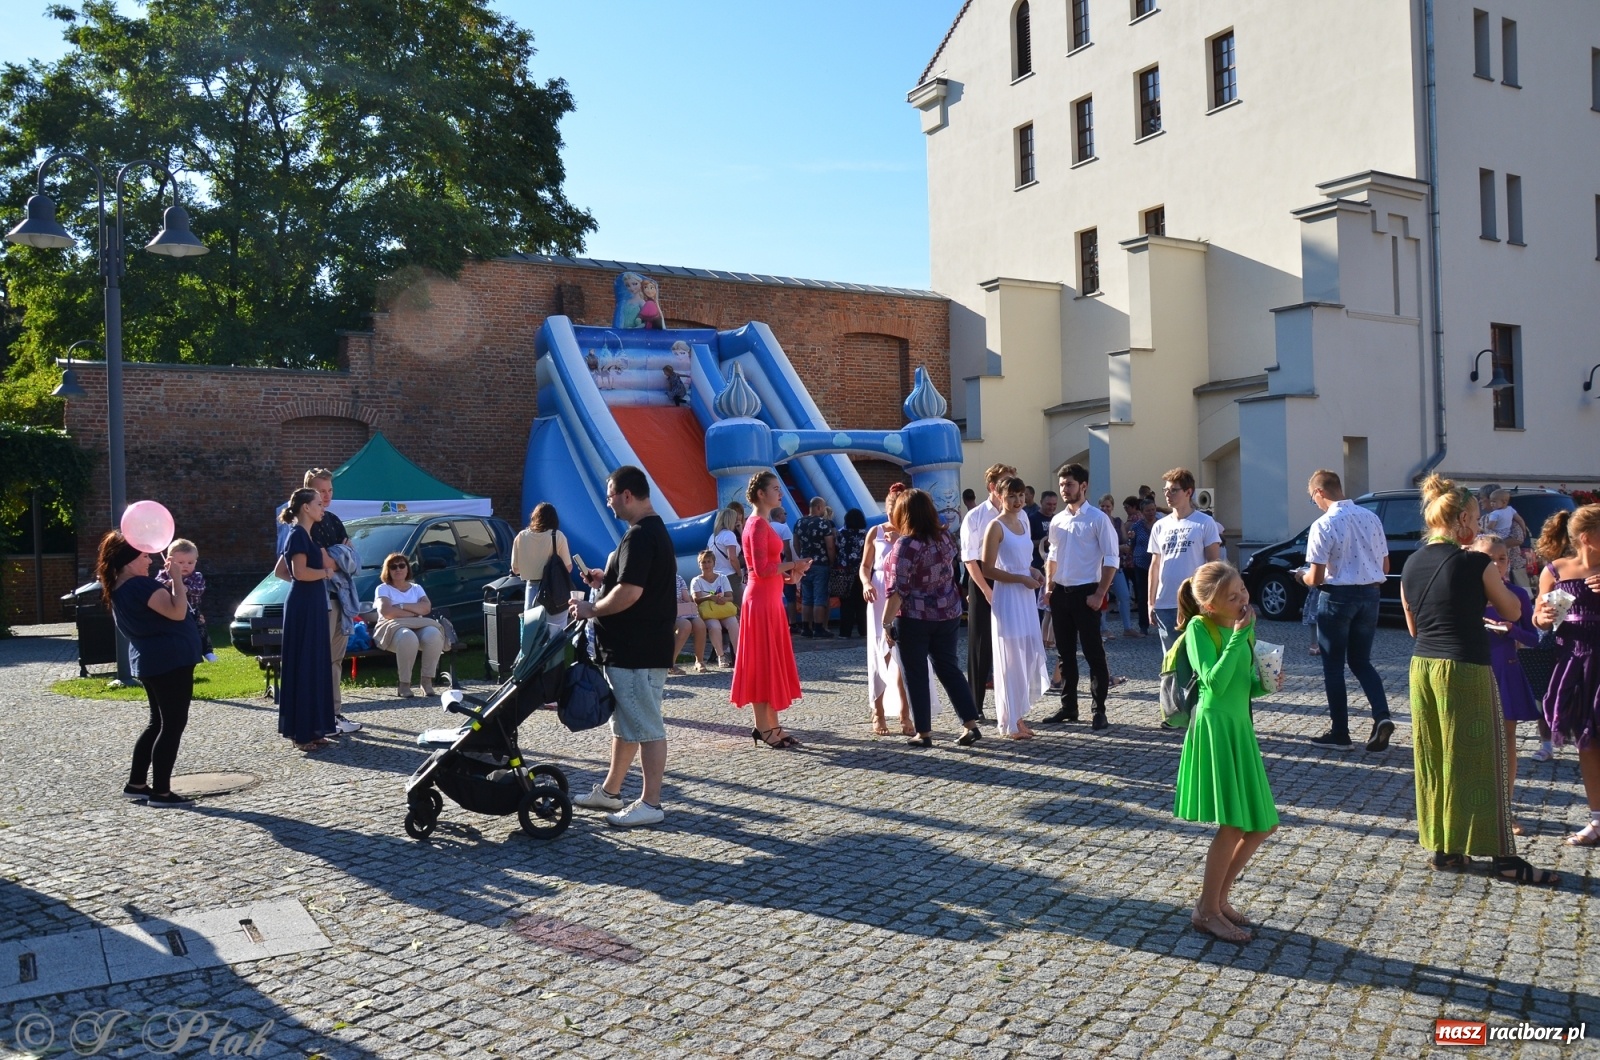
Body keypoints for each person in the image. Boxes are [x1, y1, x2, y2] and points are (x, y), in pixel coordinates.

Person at [1402, 475, 1558, 885]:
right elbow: (1510, 611)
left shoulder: (1412, 562)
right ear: (1463, 520)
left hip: (1423, 668)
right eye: (1476, 518)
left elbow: (1413, 627)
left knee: (1435, 759)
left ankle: (1447, 850)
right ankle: (1504, 858)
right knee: (1484, 760)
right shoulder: (1476, 563)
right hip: (1465, 668)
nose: (1480, 525)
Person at [1171, 562, 1281, 943]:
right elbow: (1214, 683)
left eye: (1243, 592)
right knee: (1233, 824)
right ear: (1210, 606)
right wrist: (1237, 637)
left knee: (1262, 824)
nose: (1242, 601)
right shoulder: (1199, 629)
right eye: (1232, 598)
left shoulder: (1243, 624)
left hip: (1239, 726)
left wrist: (1266, 682)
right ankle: (1208, 910)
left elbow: (1243, 685)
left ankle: (1214, 901)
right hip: (1215, 726)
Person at [568, 465, 677, 827]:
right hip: (635, 648)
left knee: (646, 725)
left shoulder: (640, 536)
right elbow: (627, 581)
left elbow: (630, 592)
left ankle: (651, 803)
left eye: (611, 494)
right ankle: (611, 792)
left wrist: (591, 608)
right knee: (628, 722)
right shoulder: (646, 533)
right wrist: (605, 577)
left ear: (627, 495)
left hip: (636, 649)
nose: (609, 501)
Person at [102, 530, 203, 807]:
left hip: (150, 660)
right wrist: (178, 580)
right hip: (170, 660)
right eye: (144, 555)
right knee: (172, 725)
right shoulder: (141, 586)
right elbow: (177, 611)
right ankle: (161, 792)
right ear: (128, 559)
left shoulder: (118, 588)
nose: (149, 560)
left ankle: (136, 783)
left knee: (157, 723)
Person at [1299, 469, 1393, 752]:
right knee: (1362, 662)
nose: (1314, 503)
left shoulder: (1324, 523)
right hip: (1371, 595)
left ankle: (1340, 733)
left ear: (1319, 492)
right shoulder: (1372, 518)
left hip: (1338, 597)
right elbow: (1385, 567)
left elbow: (1314, 579)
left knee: (1333, 667)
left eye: (1312, 498)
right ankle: (1382, 715)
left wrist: (1299, 576)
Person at [884, 489, 984, 748]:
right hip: (947, 612)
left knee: (915, 673)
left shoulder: (905, 545)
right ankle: (970, 723)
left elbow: (898, 589)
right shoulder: (944, 537)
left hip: (914, 616)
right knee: (949, 668)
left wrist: (886, 623)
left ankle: (924, 732)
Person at [1533, 504, 1600, 847]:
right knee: (1586, 742)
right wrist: (1543, 616)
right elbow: (1541, 621)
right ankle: (1597, 818)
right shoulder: (1557, 571)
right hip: (1574, 664)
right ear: (1588, 538)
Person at [275, 469, 361, 736]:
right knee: (315, 662)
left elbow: (352, 561)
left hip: (339, 600)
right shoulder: (300, 531)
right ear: (307, 500)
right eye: (320, 493)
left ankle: (329, 715)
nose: (326, 498)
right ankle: (319, 720)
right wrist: (326, 569)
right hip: (316, 603)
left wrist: (338, 558)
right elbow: (290, 569)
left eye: (330, 491)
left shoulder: (332, 521)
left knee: (333, 660)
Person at [732, 471, 810, 748]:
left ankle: (772, 725)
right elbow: (761, 569)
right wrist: (792, 565)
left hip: (771, 599)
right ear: (761, 494)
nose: (780, 493)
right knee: (762, 663)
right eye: (775, 489)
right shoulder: (755, 525)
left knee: (770, 662)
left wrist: (794, 574)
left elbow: (770, 570)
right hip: (761, 602)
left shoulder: (763, 524)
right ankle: (763, 727)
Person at [1471, 534, 1541, 836]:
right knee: (1474, 741)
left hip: (1506, 672)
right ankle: (1474, 805)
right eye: (1488, 559)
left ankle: (1504, 808)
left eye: (1501, 559)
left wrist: (1511, 629)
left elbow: (1534, 638)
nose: (1496, 564)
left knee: (1505, 742)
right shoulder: (1466, 595)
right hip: (1473, 672)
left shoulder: (1516, 595)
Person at [1043, 463, 1120, 729]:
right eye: (1062, 484)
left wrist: (1100, 593)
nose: (1064, 489)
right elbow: (1052, 555)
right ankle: (1069, 707)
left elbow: (1112, 559)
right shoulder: (1058, 520)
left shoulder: (1098, 519)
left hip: (1087, 593)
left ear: (1083, 486)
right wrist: (1049, 587)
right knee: (1064, 654)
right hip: (1061, 594)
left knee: (1093, 653)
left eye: (1070, 484)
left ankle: (1099, 709)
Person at [981, 476, 1048, 739]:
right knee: (1010, 658)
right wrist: (1021, 578)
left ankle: (1019, 714)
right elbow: (988, 568)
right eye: (1011, 496)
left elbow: (1023, 560)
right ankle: (1011, 720)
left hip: (1025, 594)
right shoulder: (995, 527)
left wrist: (1033, 571)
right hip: (1008, 595)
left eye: (1020, 495)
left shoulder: (1023, 522)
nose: (1017, 501)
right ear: (999, 496)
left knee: (1027, 653)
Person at [277, 488, 338, 753]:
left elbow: (283, 571)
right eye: (317, 502)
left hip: (311, 603)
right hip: (304, 606)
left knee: (315, 664)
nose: (322, 505)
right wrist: (325, 572)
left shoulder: (306, 535)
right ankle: (301, 732)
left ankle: (315, 728)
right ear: (305, 507)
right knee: (304, 665)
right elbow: (298, 573)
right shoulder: (297, 534)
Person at [1147, 468, 1223, 661]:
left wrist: (1211, 600)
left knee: (1198, 659)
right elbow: (1155, 565)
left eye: (1174, 490)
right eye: (1166, 490)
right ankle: (1172, 693)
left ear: (1188, 492)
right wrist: (1150, 602)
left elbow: (1213, 564)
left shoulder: (1204, 523)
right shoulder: (1160, 526)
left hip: (1194, 602)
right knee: (1171, 662)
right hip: (1166, 603)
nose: (1168, 494)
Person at [962, 464, 1017, 716]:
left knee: (1011, 642)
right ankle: (974, 705)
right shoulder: (974, 517)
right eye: (1007, 483)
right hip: (982, 581)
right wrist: (985, 590)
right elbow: (970, 559)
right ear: (993, 487)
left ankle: (1011, 704)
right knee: (981, 645)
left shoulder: (1018, 514)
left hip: (1008, 578)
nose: (1013, 490)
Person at [864, 484, 915, 736]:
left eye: (894, 511)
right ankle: (878, 711)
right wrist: (865, 583)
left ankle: (905, 714)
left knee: (902, 656)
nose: (888, 516)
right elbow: (864, 566)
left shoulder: (909, 534)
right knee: (879, 655)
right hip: (878, 592)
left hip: (901, 593)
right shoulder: (874, 532)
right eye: (886, 510)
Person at [372, 553, 446, 697]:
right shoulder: (383, 589)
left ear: (407, 569)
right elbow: (387, 611)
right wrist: (413, 611)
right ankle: (404, 684)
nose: (398, 569)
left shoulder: (417, 588)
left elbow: (426, 608)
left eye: (401, 565)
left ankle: (426, 681)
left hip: (419, 624)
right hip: (392, 627)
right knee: (408, 637)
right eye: (393, 567)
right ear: (388, 570)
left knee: (434, 634)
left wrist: (400, 606)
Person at [154, 538, 216, 662]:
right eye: (181, 563)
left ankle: (207, 651)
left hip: (192, 609)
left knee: (200, 629)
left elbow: (200, 589)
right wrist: (171, 583)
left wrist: (186, 589)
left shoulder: (196, 576)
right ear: (169, 562)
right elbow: (157, 584)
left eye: (190, 563)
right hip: (172, 608)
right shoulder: (164, 574)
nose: (185, 566)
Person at [510, 502, 573, 619]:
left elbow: (516, 569)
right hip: (555, 590)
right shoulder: (558, 536)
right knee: (556, 632)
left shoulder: (521, 537)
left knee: (533, 632)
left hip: (531, 589)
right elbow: (568, 568)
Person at [793, 496, 837, 638]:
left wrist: (802, 557)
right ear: (819, 507)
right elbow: (830, 546)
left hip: (805, 564)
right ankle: (819, 628)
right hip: (821, 564)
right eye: (823, 507)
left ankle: (806, 628)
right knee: (820, 597)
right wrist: (832, 562)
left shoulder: (799, 523)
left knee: (807, 597)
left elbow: (795, 543)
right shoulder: (824, 524)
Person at [1098, 494, 1137, 638]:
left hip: (1117, 566)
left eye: (1108, 506)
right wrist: (1119, 548)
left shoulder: (1118, 522)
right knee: (1102, 597)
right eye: (1102, 506)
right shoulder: (1096, 522)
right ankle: (1103, 629)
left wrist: (1130, 538)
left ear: (1112, 507)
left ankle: (1127, 628)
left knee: (1125, 596)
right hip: (1101, 566)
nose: (1105, 509)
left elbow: (1125, 541)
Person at [691, 550, 739, 667]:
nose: (706, 565)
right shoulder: (696, 581)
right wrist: (709, 597)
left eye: (709, 562)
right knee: (714, 626)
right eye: (703, 562)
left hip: (724, 610)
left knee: (733, 624)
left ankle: (739, 654)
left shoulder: (722, 578)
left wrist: (724, 599)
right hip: (709, 613)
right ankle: (721, 656)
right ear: (699, 565)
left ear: (714, 563)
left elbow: (730, 597)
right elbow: (696, 600)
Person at [836, 508, 870, 640]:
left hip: (844, 572)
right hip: (862, 571)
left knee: (846, 603)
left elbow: (837, 548)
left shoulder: (841, 534)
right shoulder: (865, 534)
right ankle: (864, 630)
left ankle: (845, 632)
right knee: (863, 603)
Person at [1125, 497, 1153, 635]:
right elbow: (1132, 544)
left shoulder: (1161, 524)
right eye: (1148, 510)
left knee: (1158, 594)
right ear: (1142, 512)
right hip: (1141, 564)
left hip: (1157, 564)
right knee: (1142, 595)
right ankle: (1144, 625)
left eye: (1153, 510)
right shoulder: (1136, 526)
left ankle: (1160, 622)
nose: (1151, 512)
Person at [670, 573, 707, 676]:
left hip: (682, 611)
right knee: (685, 626)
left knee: (700, 625)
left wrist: (689, 605)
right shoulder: (656, 577)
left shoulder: (678, 578)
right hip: (668, 612)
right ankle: (669, 663)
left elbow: (686, 597)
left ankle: (699, 661)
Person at [708, 505, 746, 607]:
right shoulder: (729, 535)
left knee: (724, 608)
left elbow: (708, 555)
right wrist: (739, 573)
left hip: (716, 577)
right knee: (739, 607)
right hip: (730, 576)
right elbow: (732, 558)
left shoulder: (713, 536)